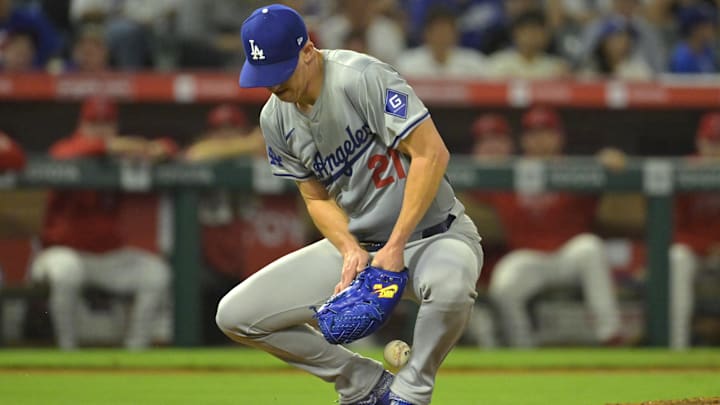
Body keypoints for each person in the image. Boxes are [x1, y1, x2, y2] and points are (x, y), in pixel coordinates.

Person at [215, 5, 483, 405]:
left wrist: (395, 246)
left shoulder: (361, 77)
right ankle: (362, 384)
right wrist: (349, 249)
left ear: (308, 50)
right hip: (362, 245)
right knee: (236, 316)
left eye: (280, 70)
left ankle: (410, 392)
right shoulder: (274, 118)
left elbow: (431, 154)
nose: (273, 85)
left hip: (433, 237)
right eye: (264, 74)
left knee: (452, 285)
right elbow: (315, 196)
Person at [30, 96, 175, 350]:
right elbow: (62, 154)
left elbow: (170, 147)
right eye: (94, 122)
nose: (100, 128)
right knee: (67, 271)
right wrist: (110, 145)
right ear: (81, 125)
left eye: (106, 123)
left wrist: (155, 151)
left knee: (155, 273)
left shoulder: (118, 153)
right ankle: (67, 351)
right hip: (60, 253)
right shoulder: (70, 149)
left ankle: (136, 351)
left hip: (107, 258)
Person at [482, 106, 622, 347]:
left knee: (590, 247)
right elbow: (461, 183)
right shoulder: (507, 171)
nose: (540, 140)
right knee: (503, 285)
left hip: (569, 256)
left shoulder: (577, 169)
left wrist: (610, 162)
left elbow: (617, 188)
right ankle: (522, 348)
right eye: (533, 133)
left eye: (546, 132)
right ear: (524, 140)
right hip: (529, 258)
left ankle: (610, 334)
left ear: (559, 137)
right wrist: (482, 161)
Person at [669, 111, 720, 349]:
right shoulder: (684, 171)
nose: (716, 150)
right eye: (712, 142)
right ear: (700, 142)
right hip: (695, 251)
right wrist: (705, 246)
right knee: (677, 258)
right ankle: (676, 347)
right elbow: (670, 228)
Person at [395, 7, 487, 79]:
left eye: (446, 32)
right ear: (426, 34)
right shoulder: (407, 64)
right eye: (437, 32)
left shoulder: (474, 64)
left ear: (456, 35)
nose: (442, 37)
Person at [486, 10, 569, 79]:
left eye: (539, 32)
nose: (533, 37)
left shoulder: (555, 67)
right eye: (529, 31)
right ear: (515, 33)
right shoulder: (499, 63)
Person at [668, 5, 718, 74]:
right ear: (694, 29)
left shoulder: (707, 50)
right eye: (706, 26)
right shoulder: (682, 58)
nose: (711, 29)